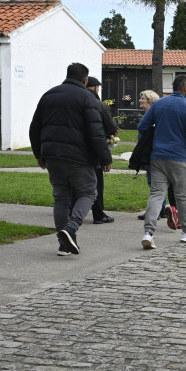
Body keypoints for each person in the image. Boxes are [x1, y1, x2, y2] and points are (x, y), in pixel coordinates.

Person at [29, 62, 112, 256]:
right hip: (79, 157)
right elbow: (96, 132)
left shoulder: (48, 95)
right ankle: (72, 228)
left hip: (52, 155)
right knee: (89, 193)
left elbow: (34, 128)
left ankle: (64, 243)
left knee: (61, 198)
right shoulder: (87, 97)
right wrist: (105, 157)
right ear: (84, 80)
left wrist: (38, 154)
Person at [138, 74, 186, 249]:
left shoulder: (159, 104)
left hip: (158, 156)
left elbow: (142, 126)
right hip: (180, 157)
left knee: (156, 194)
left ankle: (148, 233)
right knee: (182, 196)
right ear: (185, 88)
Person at [84, 76, 117, 224]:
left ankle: (71, 212)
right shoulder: (100, 105)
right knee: (96, 183)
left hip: (73, 150)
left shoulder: (73, 102)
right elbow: (110, 128)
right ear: (96, 88)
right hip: (94, 150)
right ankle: (98, 213)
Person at [136, 90, 170, 222]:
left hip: (152, 152)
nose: (140, 100)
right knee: (155, 183)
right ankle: (160, 209)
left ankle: (157, 210)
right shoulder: (151, 114)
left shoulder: (153, 115)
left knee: (155, 183)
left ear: (150, 101)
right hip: (148, 151)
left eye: (142, 98)